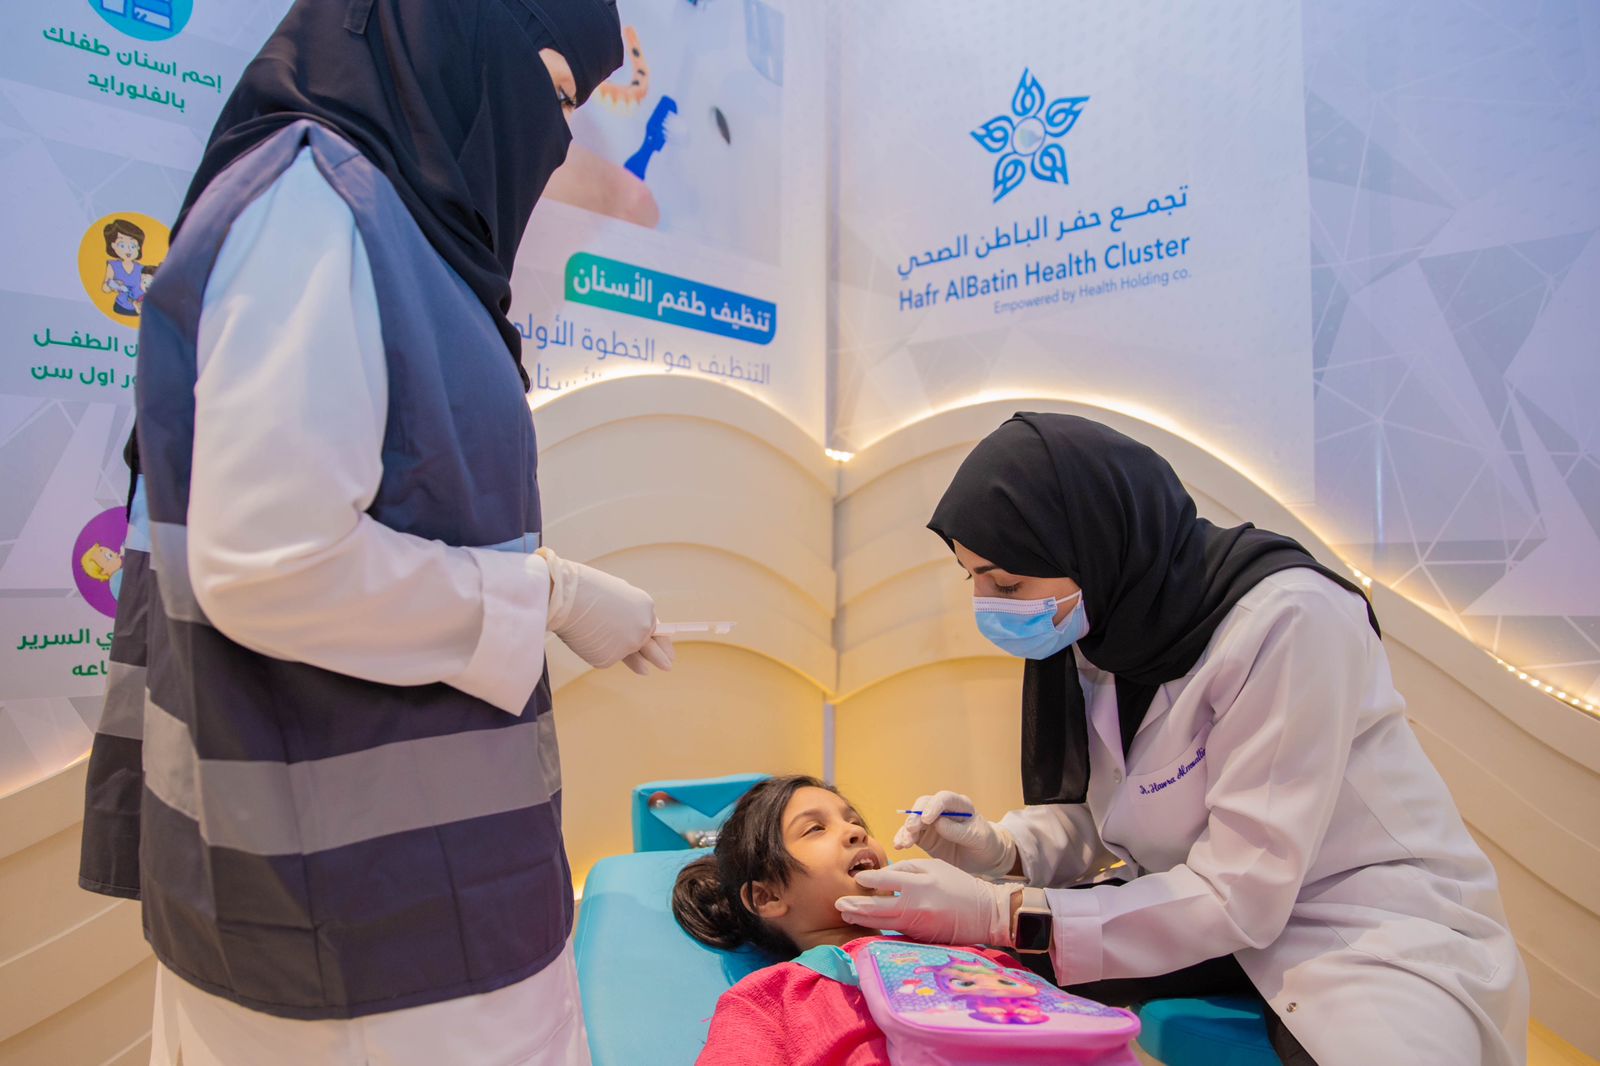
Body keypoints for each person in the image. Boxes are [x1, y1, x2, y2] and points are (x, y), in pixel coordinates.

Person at [75, 2, 670, 1063]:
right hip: (357, 935)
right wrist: (552, 595)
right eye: (554, 92)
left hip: (404, 900)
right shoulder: (316, 201)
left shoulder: (393, 221)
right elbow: (273, 566)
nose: (552, 137)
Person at [835, 413, 1530, 1066]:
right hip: (1202, 911)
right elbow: (1131, 810)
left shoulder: (1290, 619)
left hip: (1362, 924)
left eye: (1008, 583)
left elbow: (1241, 890)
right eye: (975, 579)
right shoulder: (1108, 626)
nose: (987, 606)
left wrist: (1000, 912)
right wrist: (1006, 848)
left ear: (1094, 543)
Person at [672, 775, 1060, 1065]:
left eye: (855, 821)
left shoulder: (967, 952)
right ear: (768, 897)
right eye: (815, 828)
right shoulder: (768, 1001)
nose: (855, 831)